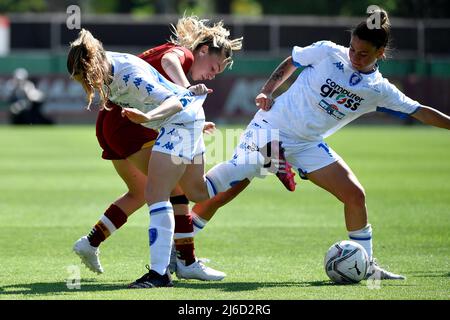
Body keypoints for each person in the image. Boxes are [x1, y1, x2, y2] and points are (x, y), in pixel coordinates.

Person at [203, 8, 450, 280]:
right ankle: (182, 249)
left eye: (363, 53)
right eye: (353, 49)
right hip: (271, 126)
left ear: (380, 53)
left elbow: (419, 110)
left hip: (307, 144)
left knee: (355, 196)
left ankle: (366, 267)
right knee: (229, 189)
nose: (354, 56)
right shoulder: (328, 51)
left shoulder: (379, 90)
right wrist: (267, 90)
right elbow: (292, 61)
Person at [72, 16, 295, 282]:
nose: (87, 86)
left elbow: (174, 98)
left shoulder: (138, 71)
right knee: (197, 192)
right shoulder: (113, 63)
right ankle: (259, 157)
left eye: (85, 79)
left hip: (167, 120)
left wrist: (156, 112)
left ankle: (160, 273)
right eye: (215, 66)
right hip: (173, 120)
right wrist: (178, 102)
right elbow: (174, 90)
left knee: (157, 192)